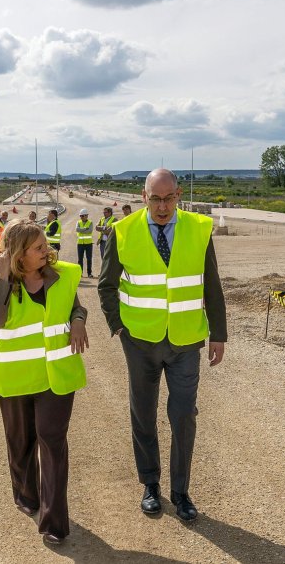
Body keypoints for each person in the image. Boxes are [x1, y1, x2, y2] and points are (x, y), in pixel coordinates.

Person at [97, 168, 226, 523]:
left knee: (184, 415)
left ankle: (180, 491)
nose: (163, 207)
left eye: (169, 198)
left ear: (179, 194)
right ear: (144, 197)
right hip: (139, 340)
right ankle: (150, 484)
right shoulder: (121, 231)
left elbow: (210, 284)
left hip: (185, 340)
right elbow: (106, 286)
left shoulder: (200, 229)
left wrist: (218, 333)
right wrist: (119, 328)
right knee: (144, 413)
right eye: (156, 199)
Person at [0, 219, 89, 547]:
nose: (47, 251)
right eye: (38, 248)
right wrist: (1, 278)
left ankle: (54, 522)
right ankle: (26, 495)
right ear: (18, 255)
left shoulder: (62, 275)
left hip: (55, 377)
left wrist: (79, 321)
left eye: (45, 245)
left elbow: (75, 306)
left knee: (52, 443)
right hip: (14, 378)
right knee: (20, 440)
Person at [75, 208, 95, 277]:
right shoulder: (78, 222)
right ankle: (80, 273)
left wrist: (81, 230)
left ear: (86, 216)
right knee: (80, 259)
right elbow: (77, 229)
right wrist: (85, 229)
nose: (82, 217)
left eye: (83, 216)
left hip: (88, 244)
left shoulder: (90, 222)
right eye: (81, 216)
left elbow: (89, 231)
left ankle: (89, 273)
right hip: (80, 243)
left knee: (89, 259)